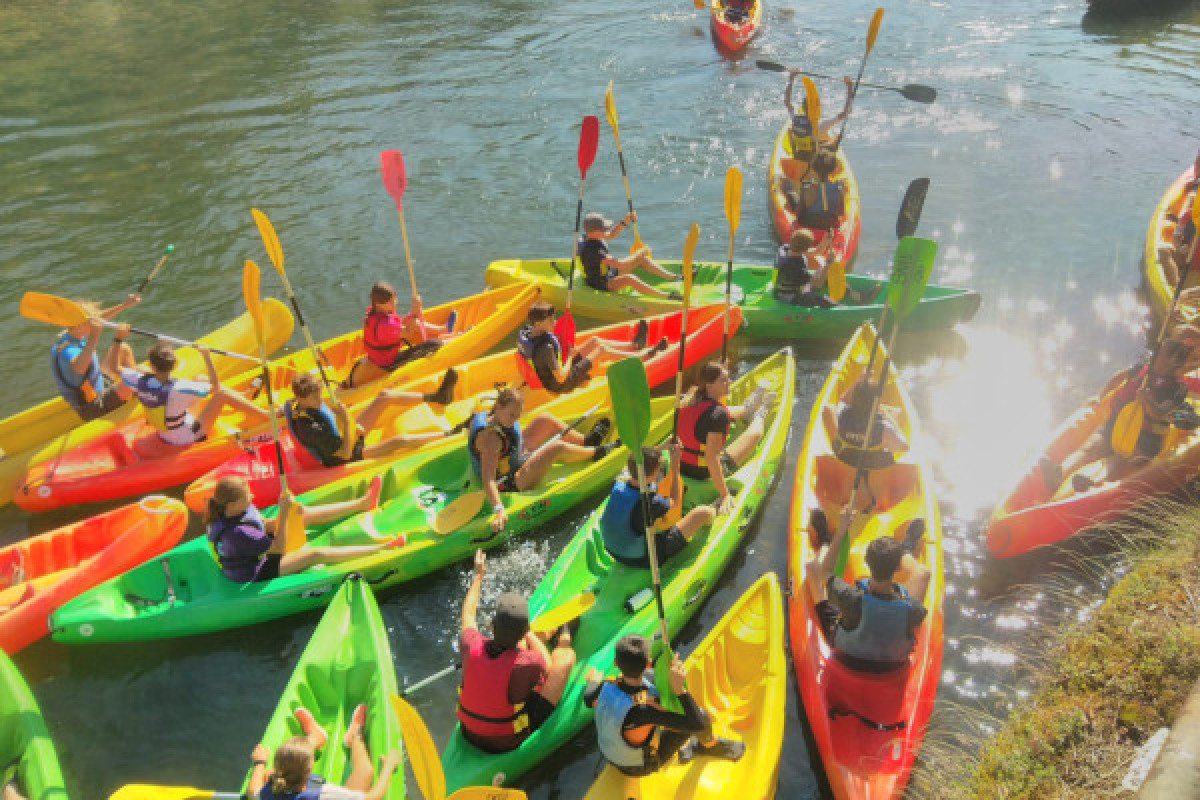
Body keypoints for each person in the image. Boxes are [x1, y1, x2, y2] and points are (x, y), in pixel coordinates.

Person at [1041, 332, 1200, 493]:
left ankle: (1094, 485)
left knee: (1121, 460)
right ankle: (1058, 473)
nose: (1161, 361)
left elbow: (1161, 414)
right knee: (1089, 449)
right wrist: (1100, 396)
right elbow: (1120, 376)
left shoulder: (1177, 389)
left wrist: (1147, 400)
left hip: (1145, 438)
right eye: (1165, 350)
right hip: (1118, 422)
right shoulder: (1143, 367)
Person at [456, 549, 576, 754]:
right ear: (524, 630)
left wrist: (479, 575)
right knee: (565, 659)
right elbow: (549, 668)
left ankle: (544, 633)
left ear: (491, 626)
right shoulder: (529, 662)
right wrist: (530, 635)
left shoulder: (470, 643)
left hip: (469, 731)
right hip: (506, 740)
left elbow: (468, 611)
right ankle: (565, 634)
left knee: (515, 655)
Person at [583, 634, 744, 776]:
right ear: (648, 663)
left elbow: (588, 698)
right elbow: (697, 725)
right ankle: (709, 746)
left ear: (616, 663)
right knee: (701, 715)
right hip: (637, 767)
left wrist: (594, 681)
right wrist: (680, 690)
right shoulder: (645, 710)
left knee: (653, 683)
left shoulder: (604, 686)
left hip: (611, 755)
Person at [470, 388, 619, 532]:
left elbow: (507, 438)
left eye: (518, 415)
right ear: (498, 407)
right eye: (511, 415)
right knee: (557, 448)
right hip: (509, 481)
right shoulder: (491, 440)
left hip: (512, 457)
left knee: (545, 419)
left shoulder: (495, 417)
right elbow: (488, 479)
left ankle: (586, 442)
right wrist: (499, 509)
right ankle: (596, 453)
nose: (514, 420)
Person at [205, 474, 398, 583]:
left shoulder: (233, 509)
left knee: (300, 514)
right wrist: (285, 509)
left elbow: (262, 523)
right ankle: (379, 549)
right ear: (231, 504)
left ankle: (363, 503)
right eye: (246, 497)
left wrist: (289, 514)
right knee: (316, 554)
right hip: (254, 569)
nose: (252, 497)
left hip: (256, 547)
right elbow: (280, 548)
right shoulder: (239, 534)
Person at [804, 520, 931, 671]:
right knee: (923, 573)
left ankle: (826, 541)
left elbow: (825, 572)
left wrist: (841, 530)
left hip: (848, 657)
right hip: (891, 665)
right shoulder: (914, 609)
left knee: (811, 568)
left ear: (866, 561)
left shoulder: (850, 598)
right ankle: (905, 550)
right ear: (898, 567)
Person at [285, 370, 455, 467]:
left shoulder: (305, 402)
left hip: (346, 434)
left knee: (385, 396)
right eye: (315, 398)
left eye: (320, 395)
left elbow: (330, 421)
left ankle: (438, 397)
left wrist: (348, 424)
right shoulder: (310, 428)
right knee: (400, 441)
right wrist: (346, 421)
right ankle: (451, 434)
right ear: (301, 399)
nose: (320, 400)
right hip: (345, 455)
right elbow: (344, 454)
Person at [119, 341, 272, 447]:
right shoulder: (180, 387)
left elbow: (113, 367)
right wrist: (207, 356)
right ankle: (266, 415)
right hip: (186, 437)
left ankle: (243, 396)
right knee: (222, 395)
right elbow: (216, 387)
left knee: (200, 379)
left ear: (151, 365)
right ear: (174, 366)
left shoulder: (140, 381)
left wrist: (118, 339)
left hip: (167, 431)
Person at [676, 362, 775, 514]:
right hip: (704, 472)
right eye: (724, 380)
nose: (730, 382)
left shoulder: (688, 400)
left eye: (728, 378)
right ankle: (761, 413)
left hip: (683, 466)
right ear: (709, 385)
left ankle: (747, 408)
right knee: (755, 435)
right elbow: (712, 458)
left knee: (725, 411)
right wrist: (725, 493)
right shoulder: (717, 414)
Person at [248, 705, 402, 800]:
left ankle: (316, 737)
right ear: (310, 768)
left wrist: (259, 763)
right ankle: (355, 737)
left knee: (268, 774)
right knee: (366, 771)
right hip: (315, 790)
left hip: (296, 781)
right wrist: (388, 767)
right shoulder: (325, 794)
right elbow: (374, 798)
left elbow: (252, 792)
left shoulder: (270, 790)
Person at [599, 443, 715, 568]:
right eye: (659, 468)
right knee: (704, 512)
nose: (661, 470)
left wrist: (662, 447)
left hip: (613, 551)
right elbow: (675, 502)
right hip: (643, 558)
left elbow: (636, 460)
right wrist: (675, 468)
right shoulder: (652, 501)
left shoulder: (619, 480)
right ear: (655, 470)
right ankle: (716, 507)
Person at [515, 302, 668, 394]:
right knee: (601, 351)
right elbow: (561, 377)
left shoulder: (527, 333)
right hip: (562, 383)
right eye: (551, 320)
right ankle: (645, 356)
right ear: (538, 323)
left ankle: (635, 345)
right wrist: (569, 356)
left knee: (595, 341)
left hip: (554, 370)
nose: (555, 323)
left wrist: (568, 355)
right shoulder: (546, 348)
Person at [817, 376, 910, 520]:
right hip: (874, 468)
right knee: (896, 413)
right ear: (876, 403)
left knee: (828, 409)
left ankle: (838, 445)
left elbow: (842, 400)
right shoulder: (883, 428)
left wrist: (859, 380)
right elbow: (905, 447)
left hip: (847, 457)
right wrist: (888, 418)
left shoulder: (843, 415)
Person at [344, 281, 459, 388]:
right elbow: (408, 333)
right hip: (388, 362)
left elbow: (394, 326)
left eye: (395, 299)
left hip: (378, 355)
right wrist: (415, 312)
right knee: (432, 344)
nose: (395, 303)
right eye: (390, 302)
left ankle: (444, 330)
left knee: (414, 323)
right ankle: (458, 337)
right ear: (378, 304)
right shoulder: (386, 324)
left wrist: (412, 315)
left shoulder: (372, 311)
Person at [51, 294, 141, 420]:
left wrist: (125, 305)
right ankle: (139, 390)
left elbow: (98, 319)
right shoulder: (69, 351)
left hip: (99, 384)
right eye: (92, 323)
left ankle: (137, 393)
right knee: (135, 378)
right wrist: (95, 335)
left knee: (123, 348)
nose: (96, 324)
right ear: (80, 326)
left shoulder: (72, 331)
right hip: (94, 406)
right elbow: (79, 369)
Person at [578, 212, 682, 301]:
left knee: (643, 260)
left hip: (608, 272)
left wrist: (625, 222)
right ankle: (666, 296)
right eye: (603, 229)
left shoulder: (591, 235)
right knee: (629, 279)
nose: (606, 230)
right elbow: (621, 265)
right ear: (595, 232)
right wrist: (639, 254)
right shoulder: (593, 250)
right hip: (600, 283)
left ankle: (673, 277)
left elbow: (612, 234)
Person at [774, 229, 880, 307]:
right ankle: (841, 309)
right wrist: (828, 262)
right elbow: (818, 283)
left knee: (828, 274)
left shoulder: (786, 248)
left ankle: (859, 297)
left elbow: (816, 252)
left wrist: (826, 239)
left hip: (799, 283)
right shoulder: (794, 267)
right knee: (818, 299)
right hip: (789, 296)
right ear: (804, 248)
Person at [784, 73, 854, 165]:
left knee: (791, 131)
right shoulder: (822, 125)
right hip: (816, 163)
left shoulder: (795, 119)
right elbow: (846, 113)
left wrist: (791, 79)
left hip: (799, 158)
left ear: (804, 108)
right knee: (837, 137)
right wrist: (849, 87)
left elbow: (787, 103)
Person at [1160, 149, 1200, 288]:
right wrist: (1179, 246)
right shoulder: (1188, 215)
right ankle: (1177, 289)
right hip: (1189, 257)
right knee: (1164, 250)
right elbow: (1177, 235)